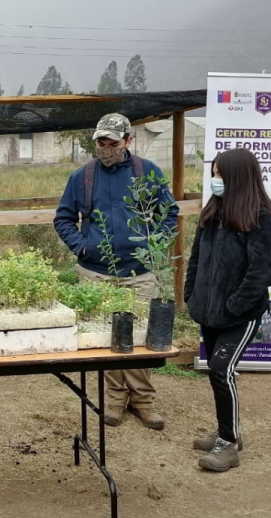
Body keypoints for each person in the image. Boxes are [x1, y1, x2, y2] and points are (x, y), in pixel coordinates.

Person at [54, 113, 178, 430]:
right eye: (101, 142)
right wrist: (82, 247)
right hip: (96, 271)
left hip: (140, 271)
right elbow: (63, 219)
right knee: (107, 337)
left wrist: (156, 245)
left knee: (139, 337)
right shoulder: (82, 177)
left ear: (128, 141)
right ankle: (114, 398)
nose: (106, 148)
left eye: (113, 143)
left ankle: (143, 401)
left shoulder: (147, 173)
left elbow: (169, 213)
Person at [184, 148, 271, 472]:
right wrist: (191, 295)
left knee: (221, 368)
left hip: (240, 315)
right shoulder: (212, 213)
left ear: (237, 177)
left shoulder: (260, 217)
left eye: (220, 174)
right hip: (209, 313)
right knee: (216, 370)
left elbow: (263, 271)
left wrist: (235, 305)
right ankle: (228, 432)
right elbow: (196, 258)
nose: (215, 180)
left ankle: (229, 443)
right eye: (214, 174)